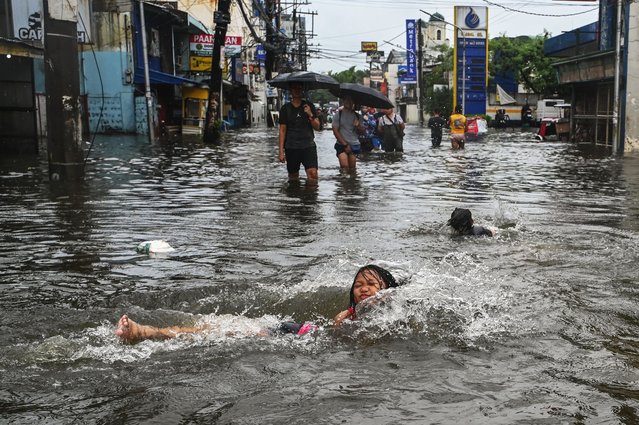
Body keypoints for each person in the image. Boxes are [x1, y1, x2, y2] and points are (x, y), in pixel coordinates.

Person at [115, 265, 399, 344]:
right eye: (359, 285)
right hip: (297, 332)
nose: (363, 289)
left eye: (371, 285)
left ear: (385, 290)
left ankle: (145, 332)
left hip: (299, 332)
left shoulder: (391, 310)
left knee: (216, 331)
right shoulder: (348, 314)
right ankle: (144, 332)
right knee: (215, 330)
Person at [278, 83, 321, 181]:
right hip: (292, 147)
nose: (297, 90)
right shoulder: (285, 109)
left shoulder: (309, 106)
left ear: (302, 90)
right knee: (293, 177)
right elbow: (282, 130)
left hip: (308, 146)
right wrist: (281, 151)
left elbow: (317, 126)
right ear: (290, 91)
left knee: (313, 175)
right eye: (294, 88)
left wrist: (310, 114)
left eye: (299, 88)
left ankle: (311, 195)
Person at [332, 96, 363, 171]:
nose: (348, 102)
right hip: (341, 145)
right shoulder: (338, 114)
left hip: (354, 145)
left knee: (352, 169)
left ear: (353, 103)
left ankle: (350, 182)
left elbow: (362, 132)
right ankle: (343, 181)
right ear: (343, 101)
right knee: (344, 167)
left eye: (350, 100)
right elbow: (335, 131)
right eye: (347, 100)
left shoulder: (358, 116)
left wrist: (358, 126)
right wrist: (345, 144)